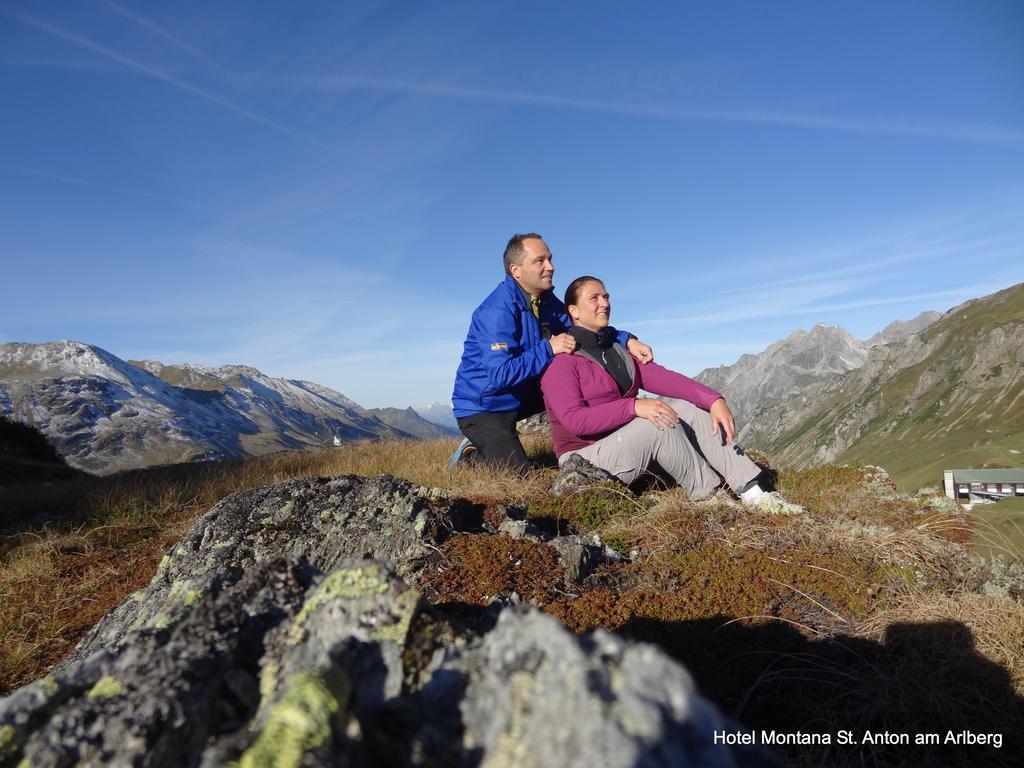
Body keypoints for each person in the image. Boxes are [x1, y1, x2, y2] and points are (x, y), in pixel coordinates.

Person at [540, 275, 797, 510]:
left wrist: (714, 399)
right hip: (584, 460)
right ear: (573, 311)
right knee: (657, 421)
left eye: (606, 297)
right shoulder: (562, 361)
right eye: (594, 298)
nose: (604, 303)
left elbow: (667, 380)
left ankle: (754, 492)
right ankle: (710, 498)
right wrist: (634, 407)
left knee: (686, 407)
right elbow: (575, 420)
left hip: (623, 443)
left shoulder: (617, 351)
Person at [451, 234, 654, 472]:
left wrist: (627, 340)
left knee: (579, 382)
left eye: (550, 259)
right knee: (519, 477)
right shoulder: (495, 312)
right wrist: (549, 348)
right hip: (485, 405)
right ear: (516, 270)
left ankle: (589, 442)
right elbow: (499, 376)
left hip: (524, 392)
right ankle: (471, 456)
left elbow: (583, 329)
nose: (551, 267)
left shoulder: (545, 301)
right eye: (540, 261)